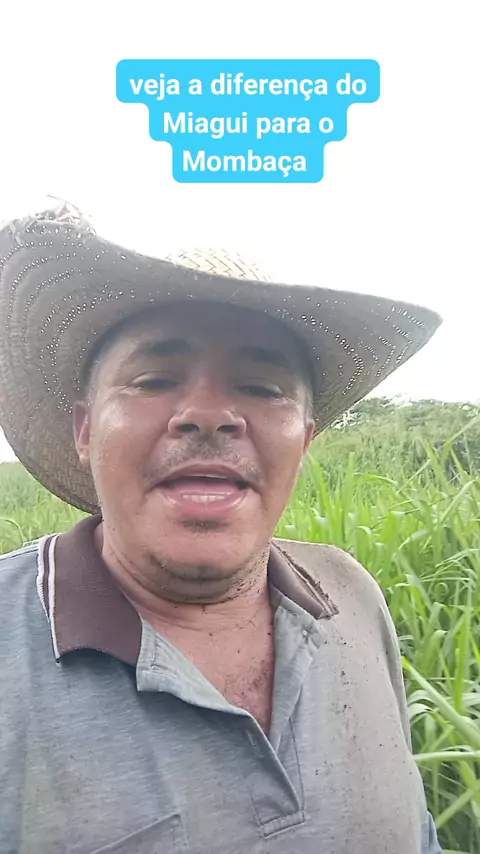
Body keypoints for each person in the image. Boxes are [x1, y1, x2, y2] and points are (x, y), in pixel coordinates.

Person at [0, 202, 443, 854]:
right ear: (86, 430)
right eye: (155, 379)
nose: (208, 414)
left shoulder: (350, 594)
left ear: (304, 441)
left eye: (262, 387)